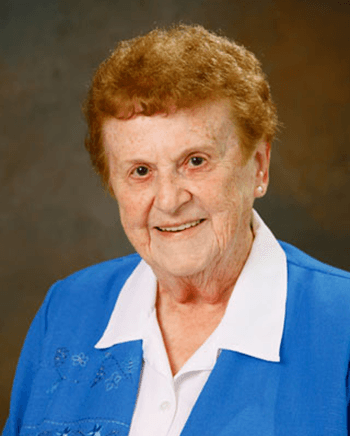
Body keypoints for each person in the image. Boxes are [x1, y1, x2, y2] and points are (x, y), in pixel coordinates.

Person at [3, 24, 350, 436]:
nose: (168, 200)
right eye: (141, 171)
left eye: (196, 161)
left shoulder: (341, 327)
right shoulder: (66, 310)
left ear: (259, 166)